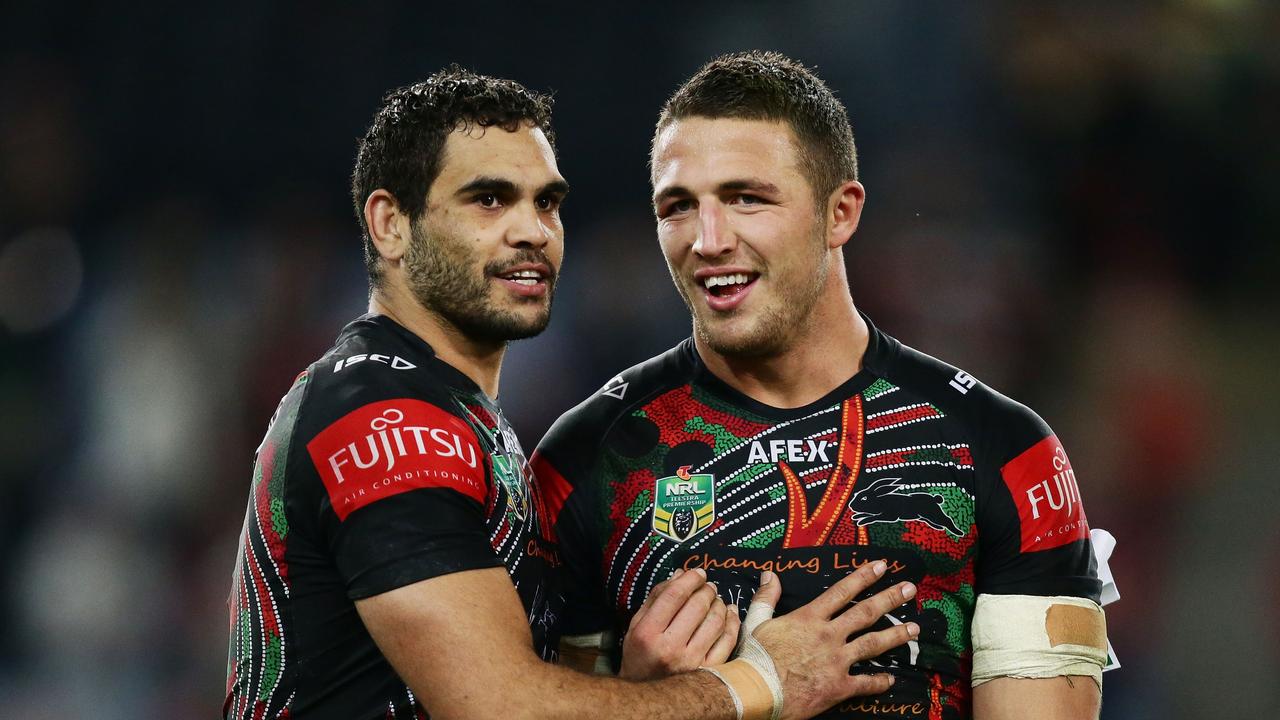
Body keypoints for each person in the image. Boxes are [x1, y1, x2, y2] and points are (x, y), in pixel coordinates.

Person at [224, 66, 917, 720]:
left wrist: (636, 691)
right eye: (489, 199)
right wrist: (758, 681)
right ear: (390, 224)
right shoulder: (386, 421)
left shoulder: (451, 413)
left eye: (546, 202)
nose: (532, 231)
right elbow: (504, 707)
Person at [533, 51, 1109, 720]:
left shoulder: (1003, 452)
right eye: (679, 206)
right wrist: (649, 700)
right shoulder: (585, 461)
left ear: (841, 213)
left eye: (747, 198)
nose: (708, 239)